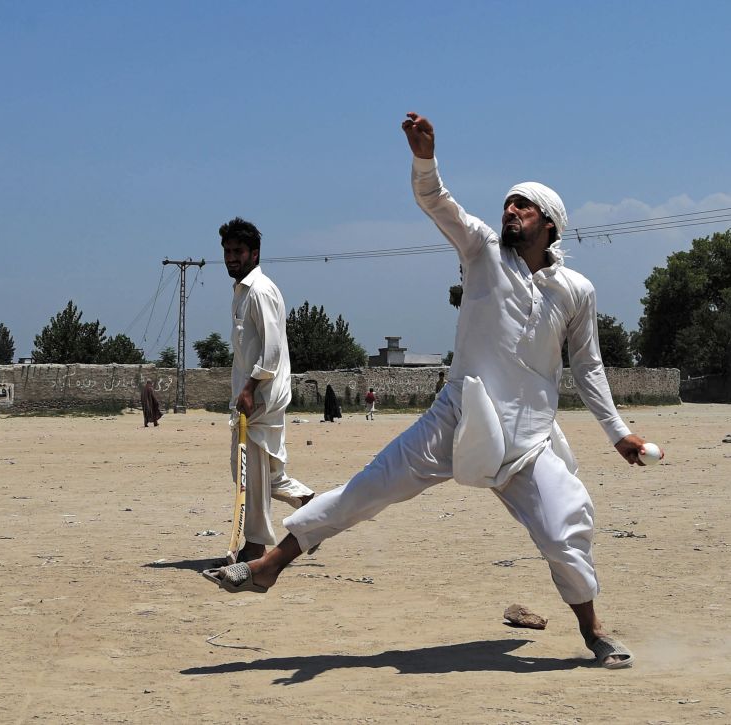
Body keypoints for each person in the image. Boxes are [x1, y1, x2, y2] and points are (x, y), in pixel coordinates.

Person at [203, 113, 649, 670]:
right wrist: (424, 157)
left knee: (565, 531)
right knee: (369, 487)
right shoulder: (483, 251)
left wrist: (619, 433)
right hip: (457, 418)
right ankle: (269, 565)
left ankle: (594, 631)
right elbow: (436, 199)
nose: (509, 210)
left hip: (528, 440)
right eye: (507, 203)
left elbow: (588, 366)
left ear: (550, 224)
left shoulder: (576, 291)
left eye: (522, 206)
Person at [218, 217, 315, 563]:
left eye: (238, 251)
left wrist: (250, 389)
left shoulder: (260, 291)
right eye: (227, 251)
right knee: (262, 474)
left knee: (250, 473)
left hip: (260, 395)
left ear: (254, 253)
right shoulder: (241, 292)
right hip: (251, 393)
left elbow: (272, 350)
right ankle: (309, 506)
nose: (232, 257)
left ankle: (256, 546)